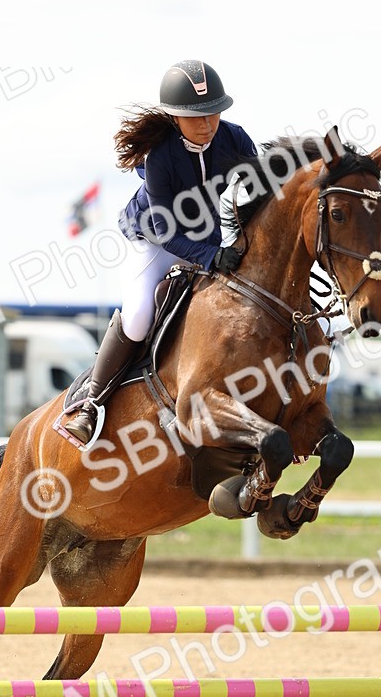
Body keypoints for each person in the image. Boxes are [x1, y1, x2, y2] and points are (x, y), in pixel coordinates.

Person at [64, 59, 258, 445]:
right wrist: (209, 257)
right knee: (138, 317)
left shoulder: (234, 139)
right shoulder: (160, 156)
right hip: (156, 242)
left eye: (212, 114)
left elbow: (260, 188)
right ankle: (92, 404)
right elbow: (166, 230)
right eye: (196, 117)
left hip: (207, 240)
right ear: (174, 117)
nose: (207, 125)